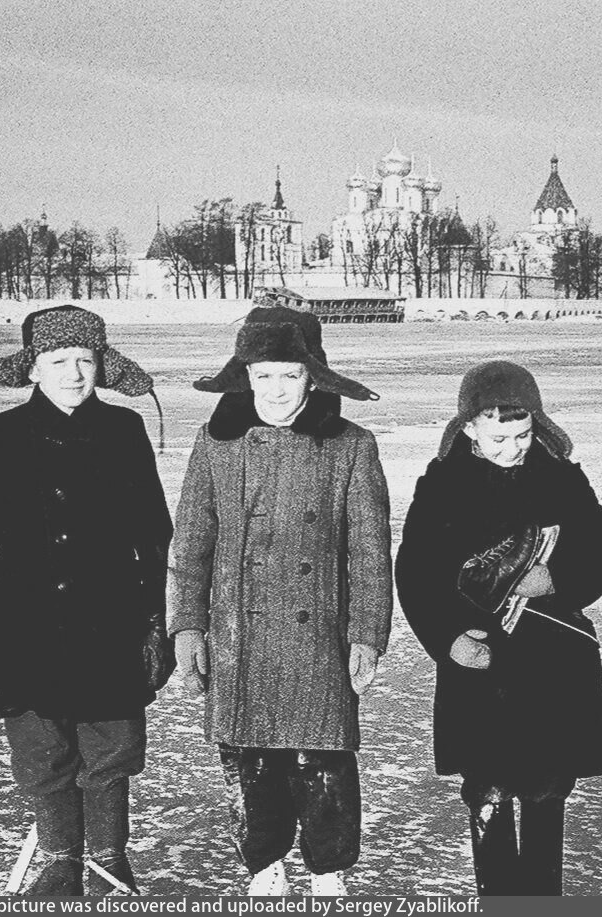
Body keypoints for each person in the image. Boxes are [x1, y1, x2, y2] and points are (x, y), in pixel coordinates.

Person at [0, 305, 175, 896]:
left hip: (112, 621)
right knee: (42, 748)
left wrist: (160, 621)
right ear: (32, 369)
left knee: (113, 748)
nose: (73, 374)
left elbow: (155, 534)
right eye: (57, 361)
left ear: (101, 366)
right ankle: (59, 862)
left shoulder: (124, 430)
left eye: (85, 360)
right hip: (24, 624)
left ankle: (109, 863)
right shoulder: (3, 435)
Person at [167, 300, 392, 897]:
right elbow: (191, 543)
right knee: (249, 758)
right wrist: (187, 627)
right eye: (262, 375)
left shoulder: (351, 445)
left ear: (313, 377)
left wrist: (367, 634)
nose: (276, 390)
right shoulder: (217, 444)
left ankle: (328, 869)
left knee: (324, 757)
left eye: (290, 375)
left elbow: (370, 553)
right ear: (244, 377)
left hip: (318, 634)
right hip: (238, 633)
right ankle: (264, 865)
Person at [395, 360, 602, 896]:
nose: (512, 448)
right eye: (499, 438)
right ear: (469, 428)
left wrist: (557, 579)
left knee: (546, 790)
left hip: (552, 665)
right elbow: (416, 573)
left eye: (522, 435)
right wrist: (447, 640)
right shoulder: (442, 485)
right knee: (488, 791)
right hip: (481, 666)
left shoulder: (561, 476)